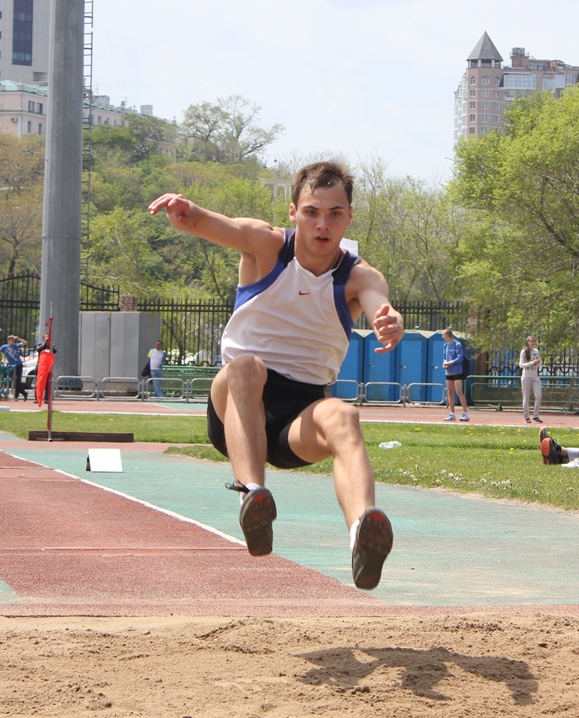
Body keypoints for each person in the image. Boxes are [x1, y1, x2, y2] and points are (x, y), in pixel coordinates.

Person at [148, 160, 403, 590]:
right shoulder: (266, 246)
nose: (323, 225)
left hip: (298, 418)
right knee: (247, 366)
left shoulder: (359, 277)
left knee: (344, 416)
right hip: (238, 403)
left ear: (349, 217)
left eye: (335, 214)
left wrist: (389, 318)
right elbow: (219, 225)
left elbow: (381, 302)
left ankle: (363, 531)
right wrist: (188, 214)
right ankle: (253, 496)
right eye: (312, 212)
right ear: (292, 212)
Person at [441, 328, 469, 422]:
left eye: (443, 335)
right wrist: (444, 363)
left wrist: (450, 362)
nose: (442, 337)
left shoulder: (457, 344)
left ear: (447, 335)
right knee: (450, 392)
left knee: (459, 392)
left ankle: (465, 413)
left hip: (457, 371)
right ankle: (452, 413)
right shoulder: (445, 345)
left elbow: (460, 357)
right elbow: (445, 357)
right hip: (449, 372)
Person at [0, 334, 30, 401]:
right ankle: (23, 393)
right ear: (8, 340)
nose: (12, 342)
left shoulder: (15, 346)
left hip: (18, 365)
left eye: (13, 340)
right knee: (14, 381)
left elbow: (25, 342)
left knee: (18, 381)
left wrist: (18, 339)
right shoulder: (5, 347)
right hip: (12, 366)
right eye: (11, 340)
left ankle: (18, 395)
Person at [519, 335, 542, 423]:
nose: (533, 343)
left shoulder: (536, 351)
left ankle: (536, 416)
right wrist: (532, 362)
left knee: (538, 395)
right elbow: (521, 365)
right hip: (526, 376)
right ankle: (526, 417)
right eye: (531, 341)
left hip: (535, 376)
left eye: (534, 341)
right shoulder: (524, 352)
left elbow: (539, 362)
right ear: (527, 342)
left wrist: (538, 363)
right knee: (526, 397)